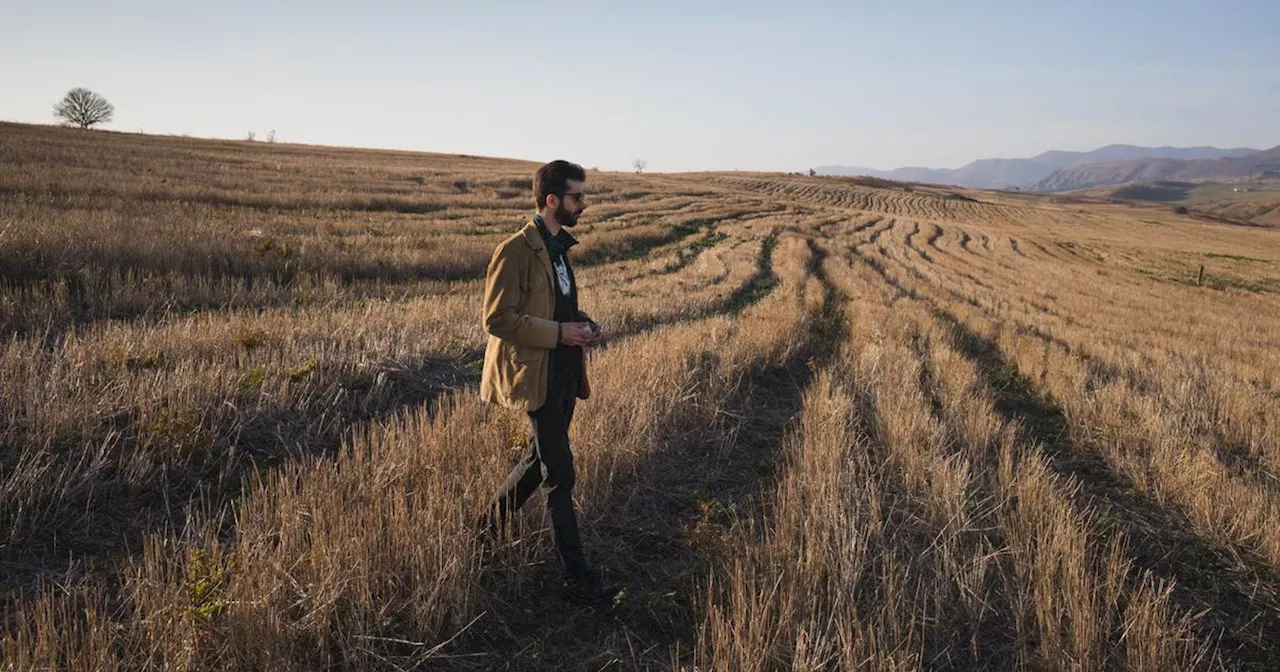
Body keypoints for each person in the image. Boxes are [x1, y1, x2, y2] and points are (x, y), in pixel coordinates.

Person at [478, 159, 610, 600]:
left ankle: (483, 533)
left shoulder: (559, 249)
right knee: (561, 473)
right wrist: (559, 333)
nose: (583, 204)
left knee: (539, 462)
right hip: (536, 374)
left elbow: (558, 309)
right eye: (577, 197)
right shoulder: (515, 250)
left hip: (565, 370)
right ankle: (579, 580)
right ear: (552, 200)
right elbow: (497, 319)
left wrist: (583, 325)